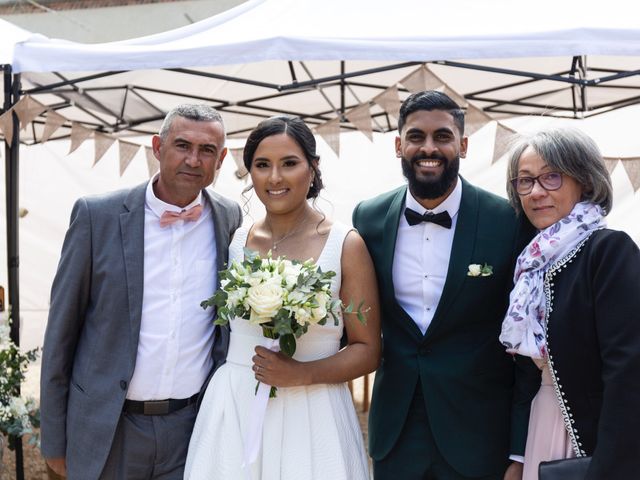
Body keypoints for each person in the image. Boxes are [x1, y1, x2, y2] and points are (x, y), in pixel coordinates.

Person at [40, 104, 242, 480]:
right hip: (110, 426)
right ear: (157, 147)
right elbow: (60, 336)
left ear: (222, 158)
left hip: (193, 427)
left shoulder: (230, 218)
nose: (193, 160)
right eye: (182, 145)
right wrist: (53, 438)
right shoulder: (95, 216)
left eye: (207, 150)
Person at [352, 90, 540, 480]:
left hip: (480, 432)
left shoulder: (506, 220)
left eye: (442, 136)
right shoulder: (367, 218)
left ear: (463, 145)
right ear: (399, 144)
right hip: (396, 434)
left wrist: (520, 448)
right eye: (417, 136)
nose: (429, 148)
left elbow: (524, 340)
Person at [184, 115, 381, 480]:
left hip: (314, 409)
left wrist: (302, 374)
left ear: (313, 168)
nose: (274, 178)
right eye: (262, 165)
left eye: (289, 163)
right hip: (235, 405)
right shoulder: (237, 240)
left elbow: (367, 350)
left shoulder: (345, 244)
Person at [500, 128, 640, 480]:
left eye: (551, 177)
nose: (536, 192)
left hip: (597, 443)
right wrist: (517, 455)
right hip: (541, 425)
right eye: (525, 181)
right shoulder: (530, 265)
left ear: (585, 181)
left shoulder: (607, 250)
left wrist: (609, 468)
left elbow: (629, 370)